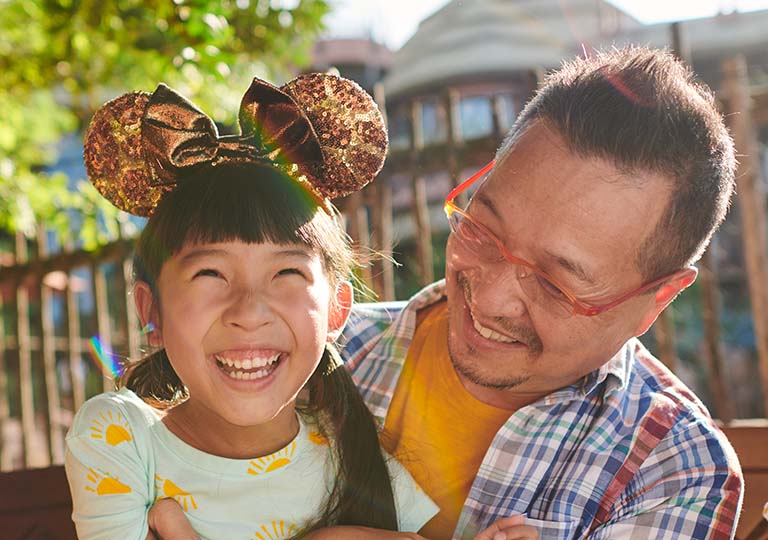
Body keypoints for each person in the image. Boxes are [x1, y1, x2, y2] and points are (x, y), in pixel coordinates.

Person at [64, 73, 537, 540]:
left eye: (286, 274)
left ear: (337, 309)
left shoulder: (355, 453)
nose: (249, 311)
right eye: (210, 274)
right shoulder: (121, 437)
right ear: (152, 312)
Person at [340, 46, 743, 539]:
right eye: (483, 230)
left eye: (556, 284)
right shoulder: (323, 350)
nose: (488, 299)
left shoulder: (672, 471)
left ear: (656, 300)